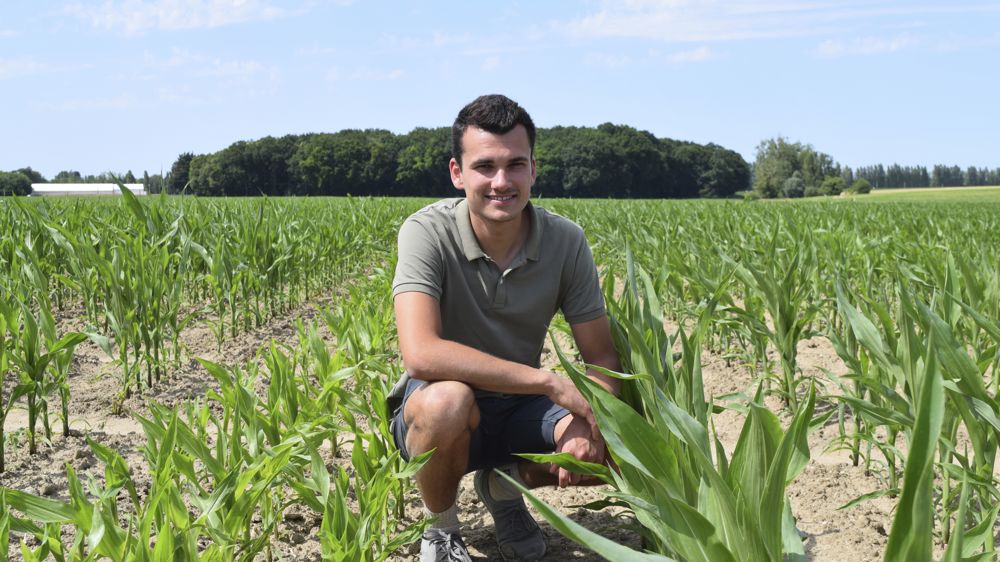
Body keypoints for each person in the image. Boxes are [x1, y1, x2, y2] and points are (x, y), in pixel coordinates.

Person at [389, 94, 620, 562]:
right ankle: (442, 528)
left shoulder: (565, 240)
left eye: (515, 165)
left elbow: (602, 356)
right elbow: (421, 353)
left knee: (621, 449)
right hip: (442, 410)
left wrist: (588, 419)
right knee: (447, 400)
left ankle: (504, 484)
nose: (501, 182)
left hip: (520, 411)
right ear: (458, 173)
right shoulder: (426, 231)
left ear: (534, 169)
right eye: (485, 166)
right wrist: (549, 382)